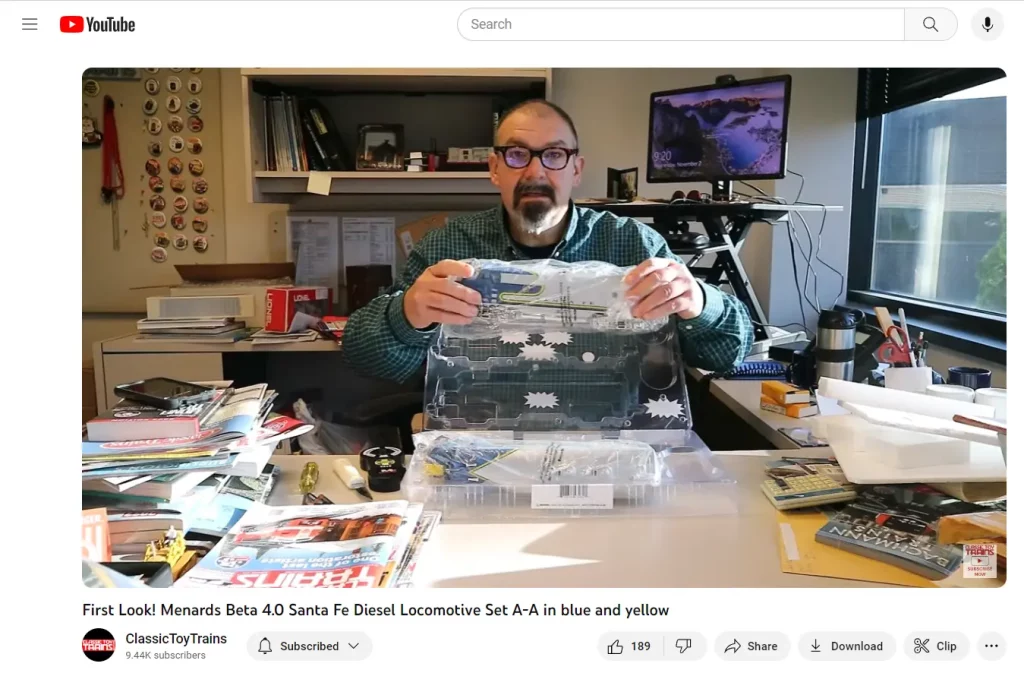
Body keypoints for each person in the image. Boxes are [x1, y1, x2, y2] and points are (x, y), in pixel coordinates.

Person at [342, 99, 754, 382]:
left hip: (611, 451)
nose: (536, 172)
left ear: (576, 169)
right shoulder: (448, 247)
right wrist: (407, 313)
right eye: (518, 155)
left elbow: (728, 354)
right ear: (494, 169)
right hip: (480, 450)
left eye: (554, 155)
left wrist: (699, 302)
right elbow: (363, 356)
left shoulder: (633, 245)